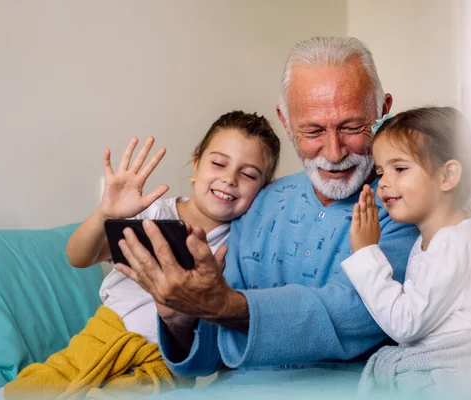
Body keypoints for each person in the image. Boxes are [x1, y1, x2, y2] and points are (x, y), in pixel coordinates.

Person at [115, 36, 420, 387]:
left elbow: (357, 313)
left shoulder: (408, 206)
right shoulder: (260, 202)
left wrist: (223, 306)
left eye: (351, 127)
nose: (334, 152)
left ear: (383, 111)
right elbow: (210, 354)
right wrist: (181, 319)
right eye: (313, 130)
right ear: (286, 122)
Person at [2, 110, 281, 399]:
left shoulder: (242, 244)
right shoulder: (152, 213)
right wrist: (104, 214)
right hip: (104, 335)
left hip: (161, 363)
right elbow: (78, 257)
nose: (229, 178)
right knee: (32, 388)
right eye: (219, 163)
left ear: (263, 189)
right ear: (196, 166)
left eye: (248, 174)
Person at [342, 107, 471, 395]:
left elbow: (405, 323)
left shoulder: (455, 242)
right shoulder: (437, 240)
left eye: (399, 168)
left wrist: (365, 252)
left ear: (447, 175)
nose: (383, 182)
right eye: (381, 171)